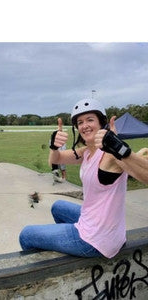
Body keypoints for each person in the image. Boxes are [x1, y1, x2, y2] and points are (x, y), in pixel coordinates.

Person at [18, 98, 139, 258]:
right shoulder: (87, 152)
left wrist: (117, 143)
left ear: (102, 123)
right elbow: (55, 160)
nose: (85, 125)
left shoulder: (111, 155)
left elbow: (133, 162)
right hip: (109, 230)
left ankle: (53, 265)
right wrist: (54, 146)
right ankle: (70, 244)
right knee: (58, 206)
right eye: (80, 122)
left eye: (90, 120)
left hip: (96, 241)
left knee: (26, 235)